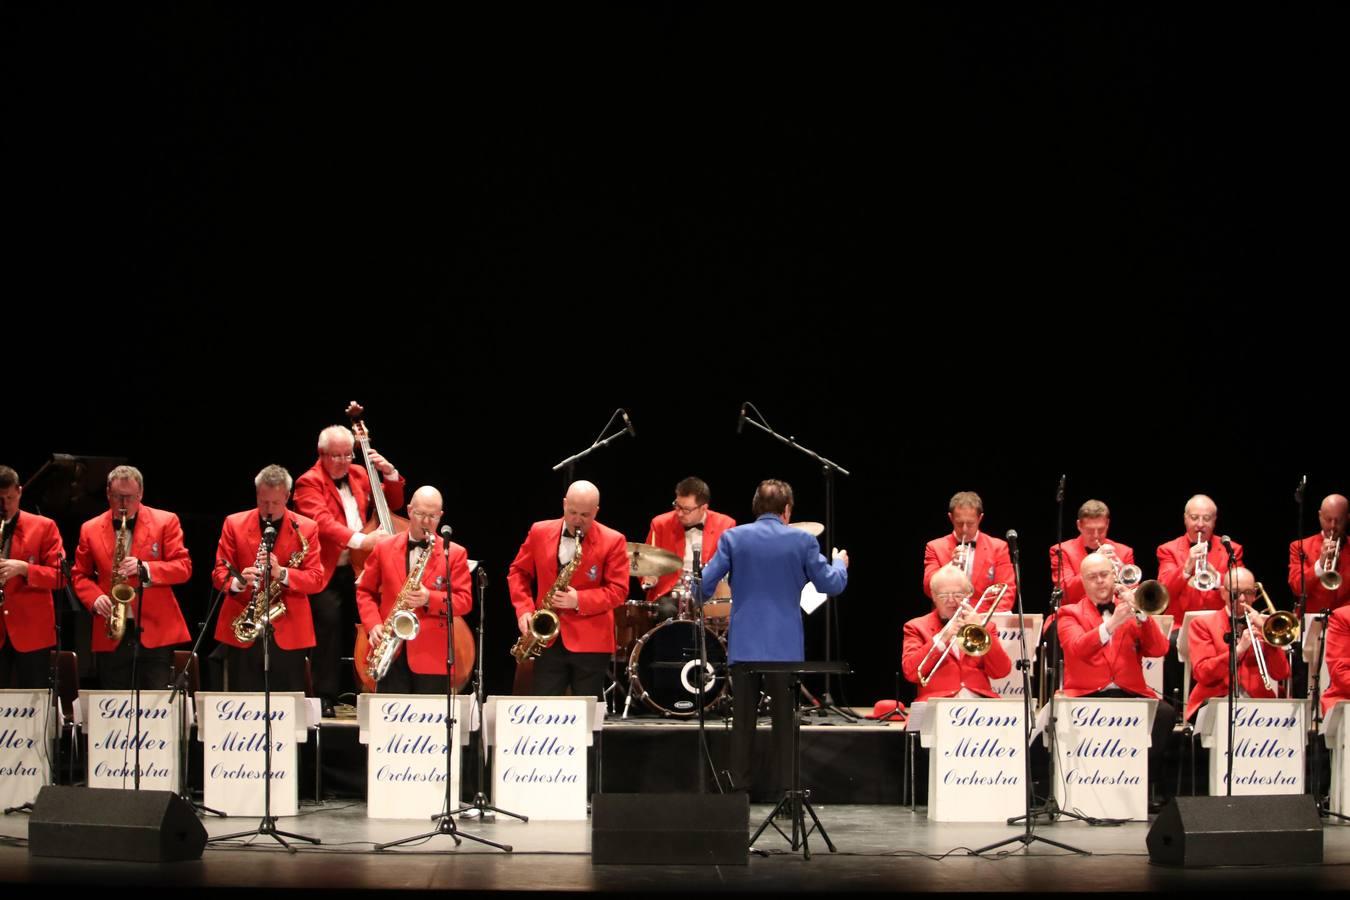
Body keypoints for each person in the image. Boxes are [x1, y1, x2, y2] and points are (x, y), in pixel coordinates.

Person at [699, 479, 849, 794]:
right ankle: (788, 796)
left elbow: (703, 587)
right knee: (785, 724)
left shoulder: (733, 538)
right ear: (787, 510)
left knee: (742, 724)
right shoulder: (802, 541)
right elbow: (831, 585)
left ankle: (738, 793)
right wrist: (840, 564)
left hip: (744, 647)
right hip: (785, 648)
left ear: (756, 508)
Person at [294, 423, 406, 716]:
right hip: (328, 570)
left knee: (375, 624)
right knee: (328, 627)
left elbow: (392, 503)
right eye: (337, 456)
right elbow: (321, 522)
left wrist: (390, 473)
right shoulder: (308, 482)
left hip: (362, 568)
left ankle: (373, 687)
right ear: (322, 454)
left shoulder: (358, 474)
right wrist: (362, 539)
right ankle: (325, 697)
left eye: (348, 455)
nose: (344, 462)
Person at [1057, 552, 1177, 803]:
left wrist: (1142, 615)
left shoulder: (1132, 610)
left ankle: (1145, 785)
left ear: (1114, 576)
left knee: (1165, 714)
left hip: (1129, 691)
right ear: (1083, 582)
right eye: (1092, 577)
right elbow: (1077, 647)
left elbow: (1159, 650)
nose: (1100, 581)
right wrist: (1111, 625)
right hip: (1087, 693)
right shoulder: (1069, 612)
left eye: (1104, 574)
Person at [72, 465, 192, 689]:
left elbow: (183, 567)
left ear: (141, 494)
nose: (123, 504)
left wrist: (145, 568)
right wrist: (94, 598)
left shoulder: (166, 521)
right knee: (116, 704)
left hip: (155, 630)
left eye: (129, 497)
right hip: (112, 630)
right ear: (108, 493)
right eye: (118, 497)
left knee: (153, 708)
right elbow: (79, 574)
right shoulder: (89, 529)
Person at [507, 480, 628, 698]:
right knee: (544, 712)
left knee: (587, 718)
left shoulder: (613, 540)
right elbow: (518, 573)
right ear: (564, 504)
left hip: (591, 642)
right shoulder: (539, 531)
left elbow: (619, 590)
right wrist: (523, 610)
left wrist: (579, 600)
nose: (577, 520)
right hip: (547, 638)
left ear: (596, 511)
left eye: (585, 515)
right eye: (572, 512)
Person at [211, 465, 325, 694]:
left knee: (286, 702)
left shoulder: (307, 528)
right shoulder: (234, 523)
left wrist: (281, 573)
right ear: (257, 494)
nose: (268, 509)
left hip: (289, 627)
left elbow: (316, 579)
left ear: (287, 496)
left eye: (275, 503)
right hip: (243, 623)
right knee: (242, 700)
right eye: (263, 502)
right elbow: (219, 574)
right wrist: (238, 581)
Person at [356, 486, 472, 694]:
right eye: (420, 514)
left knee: (429, 724)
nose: (426, 522)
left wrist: (429, 598)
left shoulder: (454, 553)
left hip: (431, 655)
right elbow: (365, 591)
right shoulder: (383, 548)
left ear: (441, 516)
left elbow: (464, 601)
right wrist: (373, 625)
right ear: (409, 510)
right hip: (390, 651)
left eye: (432, 516)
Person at [1185, 567, 1291, 721]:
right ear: (1223, 592)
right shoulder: (1202, 624)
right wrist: (1239, 650)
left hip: (1258, 703)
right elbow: (1203, 673)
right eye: (1235, 592)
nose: (1242, 599)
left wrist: (1268, 638)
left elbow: (1281, 673)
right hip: (1215, 699)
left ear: (1255, 595)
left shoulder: (1264, 625)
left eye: (1248, 592)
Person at [903, 566, 1010, 701]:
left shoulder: (986, 626)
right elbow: (911, 673)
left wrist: (983, 630)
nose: (951, 601)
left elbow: (1001, 671)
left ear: (968, 595)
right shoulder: (916, 627)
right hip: (937, 704)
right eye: (943, 595)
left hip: (980, 705)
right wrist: (942, 638)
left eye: (958, 595)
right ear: (934, 596)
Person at [0, 465, 64, 689]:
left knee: (32, 702)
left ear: (19, 491)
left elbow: (60, 576)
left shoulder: (44, 527)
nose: (5, 506)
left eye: (9, 498)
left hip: (31, 631)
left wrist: (25, 569)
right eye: (0, 499)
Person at [642, 476, 736, 619]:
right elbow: (646, 562)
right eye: (677, 505)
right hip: (671, 594)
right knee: (665, 611)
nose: (679, 513)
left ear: (703, 508)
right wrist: (650, 577)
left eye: (686, 510)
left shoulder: (726, 524)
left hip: (709, 594)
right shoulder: (660, 523)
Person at [922, 491, 1015, 610]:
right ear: (951, 518)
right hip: (945, 619)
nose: (964, 529)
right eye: (959, 523)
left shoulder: (998, 547)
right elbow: (928, 588)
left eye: (970, 523)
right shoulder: (934, 547)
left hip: (984, 619)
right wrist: (950, 566)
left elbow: (1006, 591)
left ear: (980, 518)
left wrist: (989, 622)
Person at [1157, 494, 1243, 618]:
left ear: (1214, 521)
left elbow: (1242, 590)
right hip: (1180, 624)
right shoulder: (1167, 549)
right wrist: (1186, 569)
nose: (1200, 524)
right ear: (1185, 519)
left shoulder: (1232, 549)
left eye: (1207, 518)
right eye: (1194, 517)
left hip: (1220, 624)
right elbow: (1163, 593)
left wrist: (1218, 578)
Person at [1048, 499, 1136, 604]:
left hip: (1116, 613)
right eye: (1090, 530)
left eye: (1101, 530)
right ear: (1079, 525)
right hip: (1077, 616)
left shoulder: (1124, 552)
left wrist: (1125, 583)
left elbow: (1134, 592)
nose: (1096, 536)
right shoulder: (1061, 551)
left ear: (1107, 523)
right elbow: (1065, 593)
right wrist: (1095, 560)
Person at [1289, 494, 1348, 615]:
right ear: (1320, 516)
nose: (1332, 526)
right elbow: (1297, 588)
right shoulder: (1300, 546)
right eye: (1328, 519)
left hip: (1346, 622)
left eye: (1338, 520)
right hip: (1312, 620)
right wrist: (1320, 565)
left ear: (1347, 518)